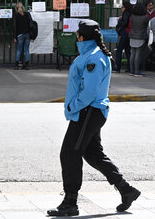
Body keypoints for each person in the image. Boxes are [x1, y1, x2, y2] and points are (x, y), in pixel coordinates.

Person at [47, 19, 140, 217]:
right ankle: (126, 189)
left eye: (77, 35)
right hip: (90, 111)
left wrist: (73, 105)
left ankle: (70, 202)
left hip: (88, 110)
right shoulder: (90, 54)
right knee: (93, 155)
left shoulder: (93, 59)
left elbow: (89, 92)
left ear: (81, 37)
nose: (75, 38)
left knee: (69, 153)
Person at [128, 2, 149, 77]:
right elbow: (147, 26)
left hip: (132, 35)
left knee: (132, 53)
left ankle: (131, 70)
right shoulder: (145, 17)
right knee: (138, 54)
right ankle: (137, 71)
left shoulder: (132, 16)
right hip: (140, 36)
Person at [12, 2, 32, 70]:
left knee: (19, 50)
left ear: (16, 8)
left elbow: (14, 26)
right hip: (27, 34)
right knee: (26, 50)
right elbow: (31, 24)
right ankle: (26, 64)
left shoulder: (16, 15)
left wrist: (14, 36)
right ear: (23, 7)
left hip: (19, 34)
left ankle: (17, 64)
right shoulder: (27, 14)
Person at [114, 1, 132, 73]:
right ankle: (130, 67)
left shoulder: (126, 13)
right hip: (129, 34)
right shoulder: (131, 13)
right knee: (128, 51)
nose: (121, 8)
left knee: (119, 49)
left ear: (125, 7)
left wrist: (119, 20)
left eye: (122, 7)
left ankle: (118, 67)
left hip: (125, 33)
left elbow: (124, 23)